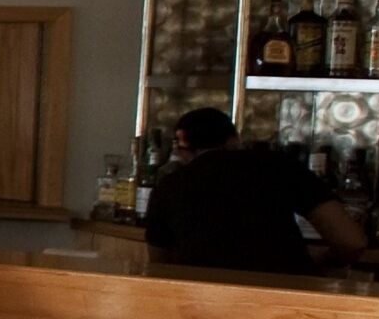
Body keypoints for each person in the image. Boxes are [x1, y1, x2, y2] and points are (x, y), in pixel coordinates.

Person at [143, 106, 367, 274]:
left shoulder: (170, 185)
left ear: (183, 149)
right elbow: (351, 241)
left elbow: (160, 263)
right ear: (234, 139)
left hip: (202, 304)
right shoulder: (278, 166)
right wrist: (325, 260)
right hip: (285, 296)